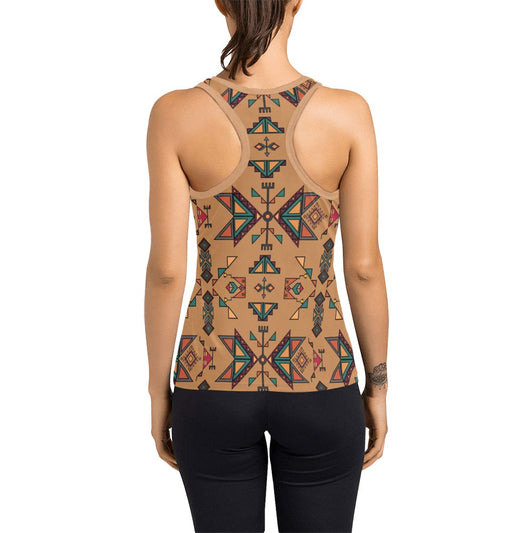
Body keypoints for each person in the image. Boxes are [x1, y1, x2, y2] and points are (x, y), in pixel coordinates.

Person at [144, 0, 389, 531]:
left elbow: (166, 271)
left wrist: (158, 389)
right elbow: (364, 268)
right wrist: (378, 385)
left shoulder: (174, 114)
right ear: (298, 1)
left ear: (220, 3)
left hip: (210, 379)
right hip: (320, 376)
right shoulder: (348, 113)